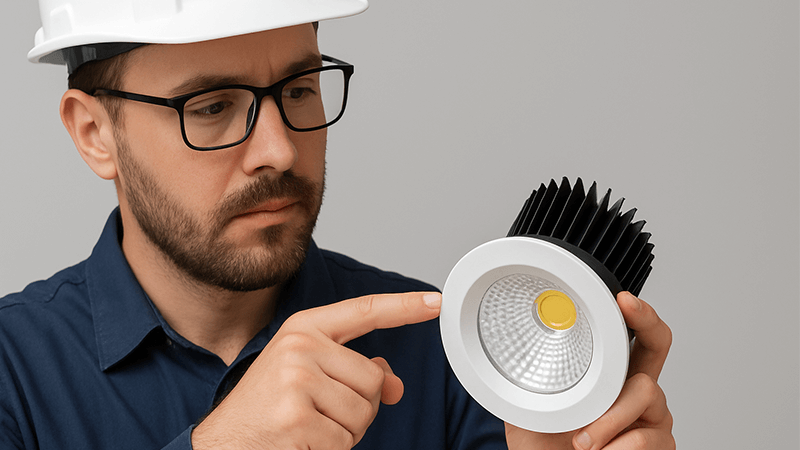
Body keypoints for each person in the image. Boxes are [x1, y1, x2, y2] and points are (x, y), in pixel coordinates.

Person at [0, 1, 674, 449]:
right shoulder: (14, 371)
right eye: (210, 108)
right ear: (94, 134)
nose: (280, 150)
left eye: (297, 91)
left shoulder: (453, 359)